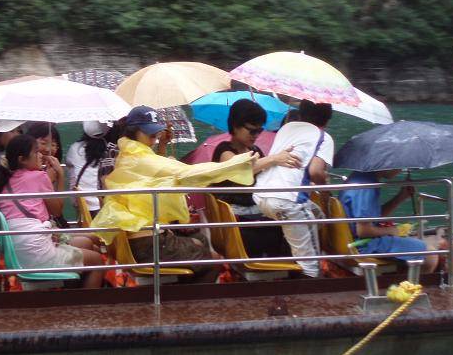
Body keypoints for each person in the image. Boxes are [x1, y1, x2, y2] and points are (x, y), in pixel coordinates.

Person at [92, 106, 257, 284]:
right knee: (212, 261)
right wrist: (237, 164)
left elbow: (154, 174)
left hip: (143, 240)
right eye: (149, 132)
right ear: (134, 131)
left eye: (155, 132)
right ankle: (187, 299)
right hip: (148, 244)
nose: (154, 136)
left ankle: (181, 294)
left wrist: (162, 146)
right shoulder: (140, 158)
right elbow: (187, 173)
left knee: (200, 243)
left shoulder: (129, 154)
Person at [0, 134, 104, 288]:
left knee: (87, 245)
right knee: (97, 260)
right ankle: (86, 302)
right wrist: (60, 176)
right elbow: (57, 211)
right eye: (36, 152)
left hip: (19, 254)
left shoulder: (8, 180)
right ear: (22, 159)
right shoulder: (38, 176)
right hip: (37, 254)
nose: (41, 155)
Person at [252, 100, 335, 278]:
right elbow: (315, 171)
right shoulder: (323, 137)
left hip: (261, 196)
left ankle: (298, 251)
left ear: (301, 113)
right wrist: (325, 188)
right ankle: (309, 284)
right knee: (311, 266)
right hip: (287, 201)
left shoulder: (286, 128)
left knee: (317, 216)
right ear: (327, 119)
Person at [211, 99, 301, 258]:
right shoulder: (224, 151)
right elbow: (239, 169)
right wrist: (274, 159)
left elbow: (267, 173)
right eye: (252, 131)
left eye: (259, 130)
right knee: (289, 230)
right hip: (237, 222)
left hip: (256, 215)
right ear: (235, 126)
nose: (256, 135)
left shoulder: (255, 151)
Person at [340, 170, 438, 273]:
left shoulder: (361, 177)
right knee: (430, 255)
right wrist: (391, 230)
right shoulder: (366, 187)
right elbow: (363, 231)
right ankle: (409, 283)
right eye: (398, 166)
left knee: (417, 247)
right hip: (365, 245)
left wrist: (401, 197)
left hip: (358, 240)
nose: (400, 170)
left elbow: (373, 218)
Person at [65, 120, 112, 216]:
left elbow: (70, 166)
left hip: (82, 201)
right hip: (105, 201)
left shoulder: (75, 148)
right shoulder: (110, 149)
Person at [26, 122, 66, 191]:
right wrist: (47, 180)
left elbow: (59, 197)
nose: (48, 149)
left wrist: (60, 175)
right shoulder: (23, 172)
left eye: (53, 145)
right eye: (43, 143)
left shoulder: (54, 170)